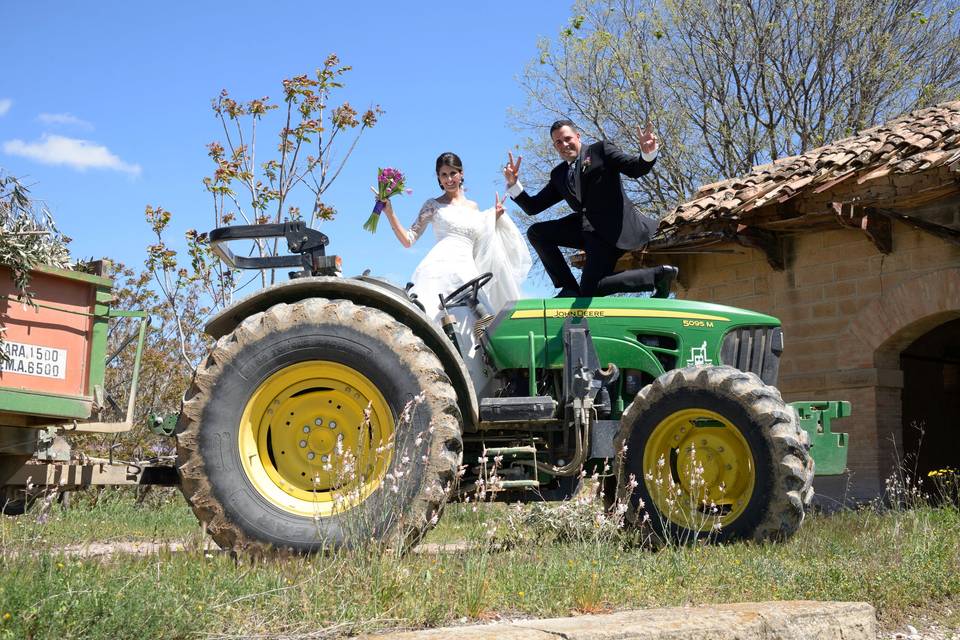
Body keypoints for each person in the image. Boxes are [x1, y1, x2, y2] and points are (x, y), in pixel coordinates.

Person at [503, 119, 678, 298]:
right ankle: (568, 288)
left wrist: (647, 154)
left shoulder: (600, 151)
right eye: (558, 142)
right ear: (555, 147)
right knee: (537, 232)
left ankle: (657, 276)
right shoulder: (559, 174)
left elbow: (635, 169)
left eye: (567, 138)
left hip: (614, 229)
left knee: (590, 290)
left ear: (578, 136)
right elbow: (533, 207)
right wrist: (514, 184)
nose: (564, 145)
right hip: (588, 232)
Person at [381, 152, 532, 324]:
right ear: (438, 178)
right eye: (443, 175)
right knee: (431, 318)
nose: (449, 179)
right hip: (437, 269)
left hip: (467, 271)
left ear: (461, 174)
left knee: (479, 320)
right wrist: (389, 212)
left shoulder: (474, 208)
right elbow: (408, 240)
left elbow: (481, 240)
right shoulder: (432, 205)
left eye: (453, 173)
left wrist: (494, 218)